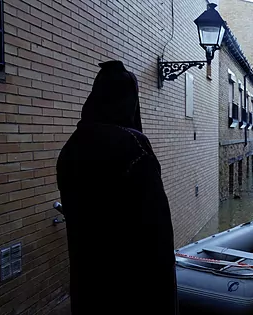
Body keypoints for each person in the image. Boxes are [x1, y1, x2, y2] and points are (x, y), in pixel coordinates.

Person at [56, 60, 178, 314]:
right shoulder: (134, 146)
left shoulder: (71, 148)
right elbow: (158, 234)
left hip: (88, 283)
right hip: (132, 289)